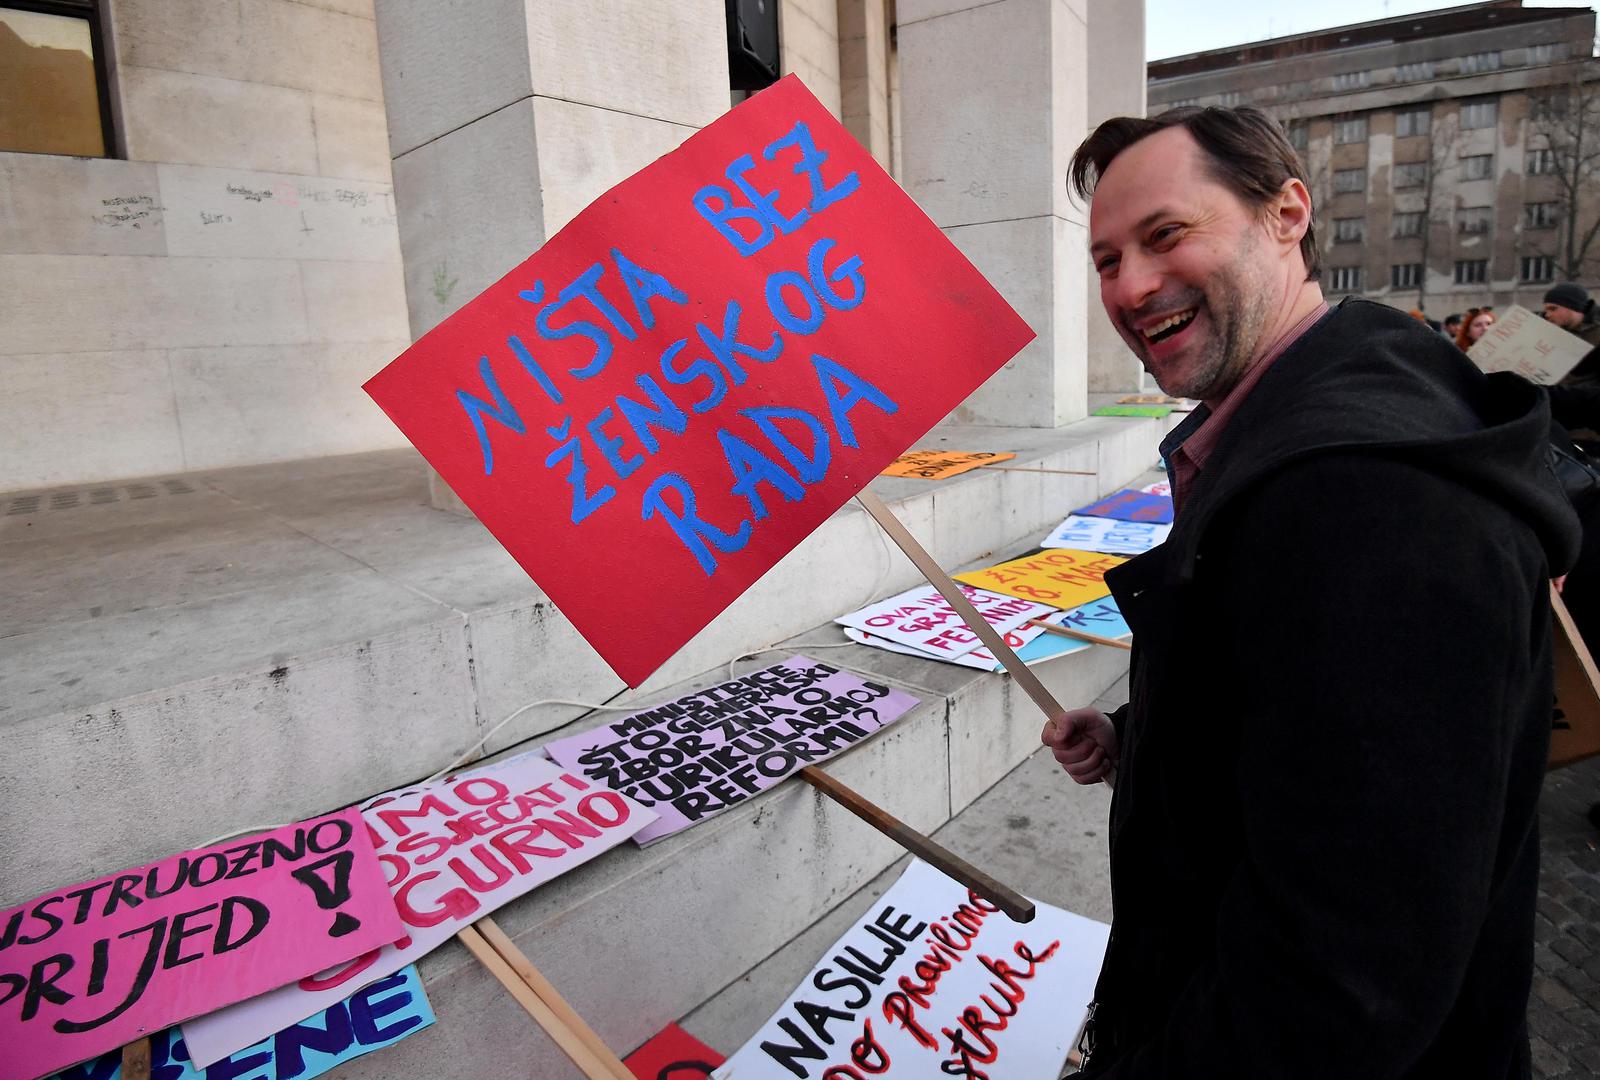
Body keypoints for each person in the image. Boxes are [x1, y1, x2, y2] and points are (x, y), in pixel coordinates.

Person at [1045, 105, 1580, 1078]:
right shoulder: (1318, 420)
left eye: (1165, 235)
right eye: (1106, 260)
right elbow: (1310, 720)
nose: (1130, 287)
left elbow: (1335, 986)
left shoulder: (1365, 502)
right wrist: (1142, 737)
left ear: (1286, 213)